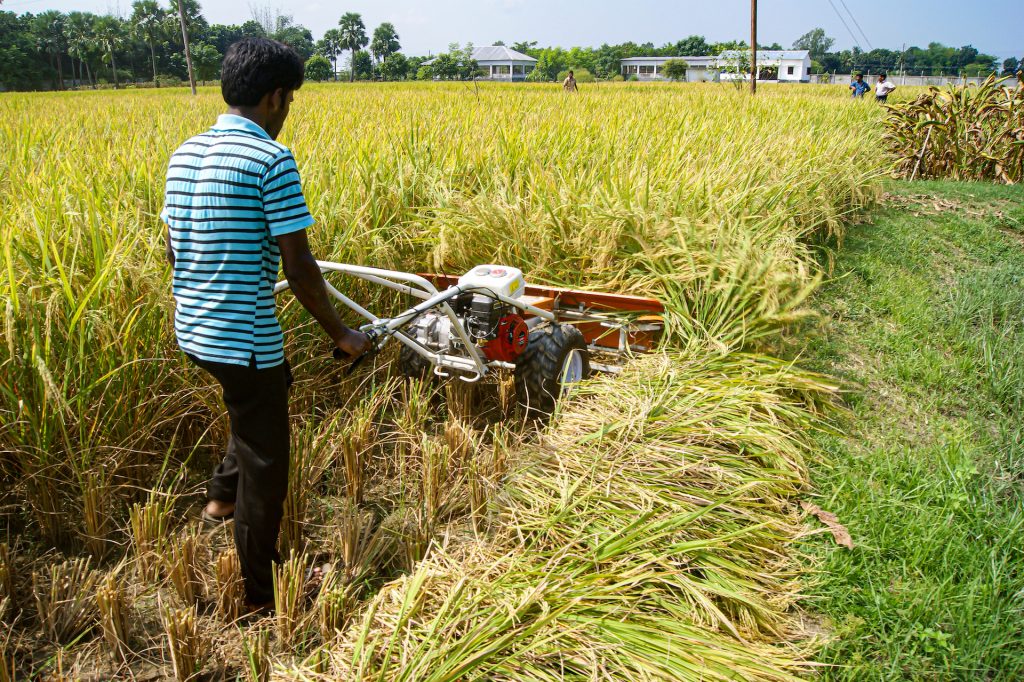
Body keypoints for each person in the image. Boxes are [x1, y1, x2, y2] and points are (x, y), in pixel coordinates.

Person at [161, 37, 370, 610]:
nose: (287, 112)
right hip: (243, 341)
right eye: (290, 101)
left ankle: (218, 502)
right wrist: (342, 334)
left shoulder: (184, 152)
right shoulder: (269, 161)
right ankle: (258, 591)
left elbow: (176, 249)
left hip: (194, 332)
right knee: (268, 461)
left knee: (260, 399)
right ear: (276, 97)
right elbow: (299, 267)